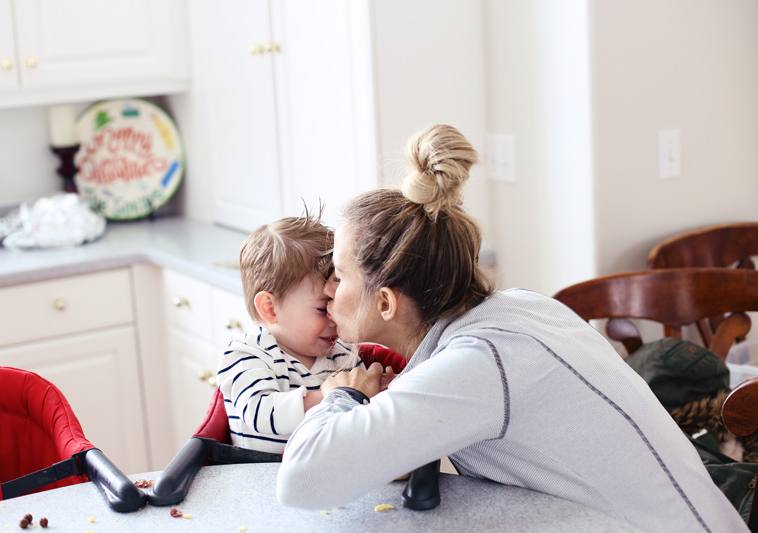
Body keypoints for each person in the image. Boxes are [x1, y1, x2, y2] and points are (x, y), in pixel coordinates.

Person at [276, 125, 747, 532]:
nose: (328, 289)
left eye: (339, 273)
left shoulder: (479, 362)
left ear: (385, 302)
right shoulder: (515, 310)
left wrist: (345, 395)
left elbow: (301, 480)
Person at [216, 210, 364, 454]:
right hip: (256, 479)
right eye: (321, 308)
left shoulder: (344, 352)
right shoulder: (245, 354)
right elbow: (261, 414)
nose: (335, 317)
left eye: (338, 304)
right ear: (270, 308)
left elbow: (360, 414)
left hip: (327, 476)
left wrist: (377, 388)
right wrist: (331, 395)